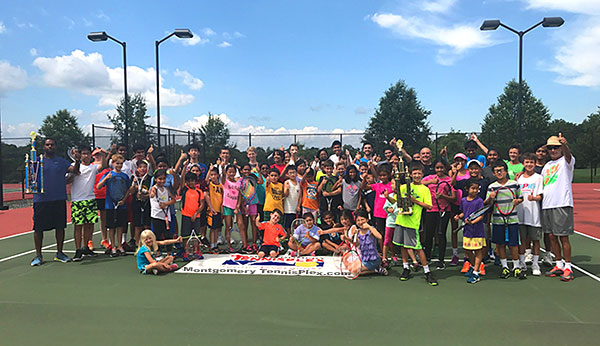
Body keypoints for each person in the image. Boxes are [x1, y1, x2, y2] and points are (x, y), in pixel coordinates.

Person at [30, 138, 80, 266]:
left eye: (52, 144)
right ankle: (38, 255)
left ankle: (59, 253)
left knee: (60, 227)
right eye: (47, 145)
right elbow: (31, 177)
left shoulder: (62, 162)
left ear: (55, 147)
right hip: (41, 200)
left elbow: (74, 171)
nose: (50, 146)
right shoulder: (37, 161)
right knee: (38, 228)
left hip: (58, 199)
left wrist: (77, 160)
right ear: (44, 147)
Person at [392, 163, 438, 286]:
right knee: (402, 245)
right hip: (401, 220)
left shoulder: (424, 189)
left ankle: (427, 272)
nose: (417, 175)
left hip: (413, 223)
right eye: (414, 173)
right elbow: (396, 199)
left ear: (423, 175)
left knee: (417, 248)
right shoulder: (404, 186)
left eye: (419, 173)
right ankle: (406, 268)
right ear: (410, 175)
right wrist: (389, 197)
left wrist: (415, 201)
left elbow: (429, 206)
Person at [542, 134, 575, 282]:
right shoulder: (547, 166)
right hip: (547, 204)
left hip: (562, 203)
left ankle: (568, 267)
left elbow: (568, 155)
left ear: (561, 148)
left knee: (563, 237)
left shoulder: (566, 161)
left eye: (556, 147)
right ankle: (558, 264)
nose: (553, 150)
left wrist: (565, 145)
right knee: (551, 236)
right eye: (550, 148)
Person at [485, 161, 525, 280]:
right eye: (497, 171)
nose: (499, 173)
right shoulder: (491, 186)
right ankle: (504, 267)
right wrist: (490, 198)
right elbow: (488, 203)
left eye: (501, 170)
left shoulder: (514, 184)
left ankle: (516, 267)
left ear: (506, 171)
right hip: (498, 220)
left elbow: (521, 198)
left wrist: (517, 201)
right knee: (500, 244)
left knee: (513, 244)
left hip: (512, 219)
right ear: (493, 173)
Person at [70, 145, 107, 261]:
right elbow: (74, 173)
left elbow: (104, 165)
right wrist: (76, 161)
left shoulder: (93, 167)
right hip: (77, 200)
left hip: (90, 199)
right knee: (78, 226)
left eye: (87, 153)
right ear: (80, 155)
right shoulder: (74, 166)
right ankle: (78, 250)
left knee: (89, 225)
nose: (85, 155)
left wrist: (104, 154)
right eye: (83, 153)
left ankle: (86, 247)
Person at [422, 160, 455, 270]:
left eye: (441, 167)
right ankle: (427, 257)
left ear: (445, 168)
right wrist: (431, 181)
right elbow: (418, 183)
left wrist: (442, 196)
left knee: (441, 235)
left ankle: (441, 260)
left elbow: (453, 197)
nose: (439, 170)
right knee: (429, 235)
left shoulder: (449, 180)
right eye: (437, 168)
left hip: (444, 211)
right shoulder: (429, 178)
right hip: (430, 210)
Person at [96, 154, 131, 258]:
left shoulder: (125, 176)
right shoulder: (108, 174)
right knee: (111, 227)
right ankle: (113, 246)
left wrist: (123, 200)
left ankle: (120, 246)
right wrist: (106, 178)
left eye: (121, 163)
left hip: (121, 205)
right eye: (117, 163)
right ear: (113, 163)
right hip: (110, 205)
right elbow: (98, 186)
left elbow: (128, 190)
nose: (119, 165)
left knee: (120, 226)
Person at [455, 180, 487, 283]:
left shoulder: (479, 201)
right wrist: (458, 217)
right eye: (473, 188)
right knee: (468, 250)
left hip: (477, 231)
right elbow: (463, 213)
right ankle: (473, 266)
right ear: (467, 189)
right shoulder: (463, 200)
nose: (475, 191)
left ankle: (476, 273)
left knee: (478, 250)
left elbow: (481, 215)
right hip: (467, 231)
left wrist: (472, 222)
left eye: (477, 189)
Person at [517, 153, 543, 276]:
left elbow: (540, 195)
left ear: (534, 163)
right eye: (526, 162)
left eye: (531, 162)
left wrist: (534, 198)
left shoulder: (539, 178)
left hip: (534, 215)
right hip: (520, 214)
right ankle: (522, 263)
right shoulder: (519, 179)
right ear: (523, 164)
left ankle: (535, 264)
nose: (529, 164)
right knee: (522, 240)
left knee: (535, 240)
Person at [362, 164, 393, 253]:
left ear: (388, 175)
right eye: (381, 175)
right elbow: (363, 187)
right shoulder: (377, 185)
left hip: (389, 214)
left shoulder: (392, 186)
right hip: (378, 213)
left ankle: (391, 252)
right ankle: (380, 250)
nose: (383, 177)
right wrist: (364, 179)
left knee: (389, 234)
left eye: (385, 175)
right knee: (380, 233)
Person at [348, 209, 388, 276]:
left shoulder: (371, 229)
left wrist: (369, 227)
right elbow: (356, 244)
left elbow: (380, 237)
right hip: (364, 258)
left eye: (362, 219)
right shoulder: (358, 232)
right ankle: (376, 269)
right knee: (350, 268)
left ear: (367, 220)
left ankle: (376, 270)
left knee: (354, 272)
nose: (360, 222)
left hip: (373, 259)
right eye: (358, 220)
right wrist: (352, 237)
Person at [149, 169, 177, 256]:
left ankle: (169, 253)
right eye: (159, 179)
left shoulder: (166, 189)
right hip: (156, 216)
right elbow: (151, 194)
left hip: (166, 216)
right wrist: (152, 193)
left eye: (163, 179)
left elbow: (173, 200)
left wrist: (166, 204)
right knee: (157, 235)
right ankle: (158, 253)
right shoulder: (154, 188)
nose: (162, 181)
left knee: (168, 235)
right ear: (155, 179)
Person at [180, 172, 206, 261]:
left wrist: (195, 214)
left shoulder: (199, 191)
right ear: (186, 182)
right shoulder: (184, 189)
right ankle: (186, 252)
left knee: (197, 235)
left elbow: (202, 204)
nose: (191, 183)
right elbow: (182, 178)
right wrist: (184, 166)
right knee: (185, 235)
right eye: (189, 181)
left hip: (196, 216)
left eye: (193, 181)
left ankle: (196, 252)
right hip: (186, 216)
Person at [129, 160, 152, 247]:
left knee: (147, 225)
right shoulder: (134, 178)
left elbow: (152, 192)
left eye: (144, 167)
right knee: (137, 226)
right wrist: (134, 185)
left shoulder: (150, 178)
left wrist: (145, 196)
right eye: (140, 167)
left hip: (147, 205)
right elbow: (131, 191)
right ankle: (138, 245)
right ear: (137, 169)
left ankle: (148, 245)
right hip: (136, 205)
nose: (142, 169)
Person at [239, 164, 260, 252]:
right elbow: (240, 193)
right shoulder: (239, 180)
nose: (246, 171)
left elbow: (261, 182)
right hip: (243, 205)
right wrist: (242, 204)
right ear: (241, 171)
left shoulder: (253, 178)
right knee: (245, 224)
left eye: (248, 170)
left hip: (253, 203)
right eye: (245, 170)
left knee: (254, 223)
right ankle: (246, 243)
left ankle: (254, 243)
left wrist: (258, 171)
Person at [93, 148, 111, 249]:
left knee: (104, 219)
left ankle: (104, 239)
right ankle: (88, 241)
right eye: (96, 155)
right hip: (93, 195)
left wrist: (105, 155)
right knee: (90, 221)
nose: (98, 156)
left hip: (105, 196)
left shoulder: (107, 168)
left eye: (100, 155)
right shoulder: (91, 166)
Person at [221, 164, 242, 252]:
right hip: (227, 207)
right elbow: (222, 177)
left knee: (241, 225)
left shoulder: (238, 183)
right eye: (229, 172)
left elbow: (239, 196)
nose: (231, 173)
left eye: (233, 172)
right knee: (228, 226)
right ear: (226, 173)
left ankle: (243, 244)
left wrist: (237, 206)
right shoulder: (224, 181)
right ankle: (228, 245)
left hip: (236, 208)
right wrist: (222, 168)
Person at [205, 167, 223, 252]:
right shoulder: (209, 185)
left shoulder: (220, 186)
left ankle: (215, 244)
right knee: (212, 229)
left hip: (219, 210)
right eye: (211, 175)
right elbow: (206, 181)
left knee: (217, 228)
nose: (213, 176)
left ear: (218, 175)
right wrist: (209, 170)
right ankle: (212, 245)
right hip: (212, 210)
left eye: (214, 174)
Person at [282, 165, 301, 232]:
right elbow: (285, 194)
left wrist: (298, 206)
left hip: (295, 208)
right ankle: (288, 236)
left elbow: (300, 196)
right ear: (287, 174)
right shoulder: (287, 182)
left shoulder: (298, 183)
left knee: (295, 223)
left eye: (294, 172)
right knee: (288, 224)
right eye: (290, 173)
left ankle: (293, 236)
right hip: (288, 208)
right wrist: (287, 189)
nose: (292, 174)